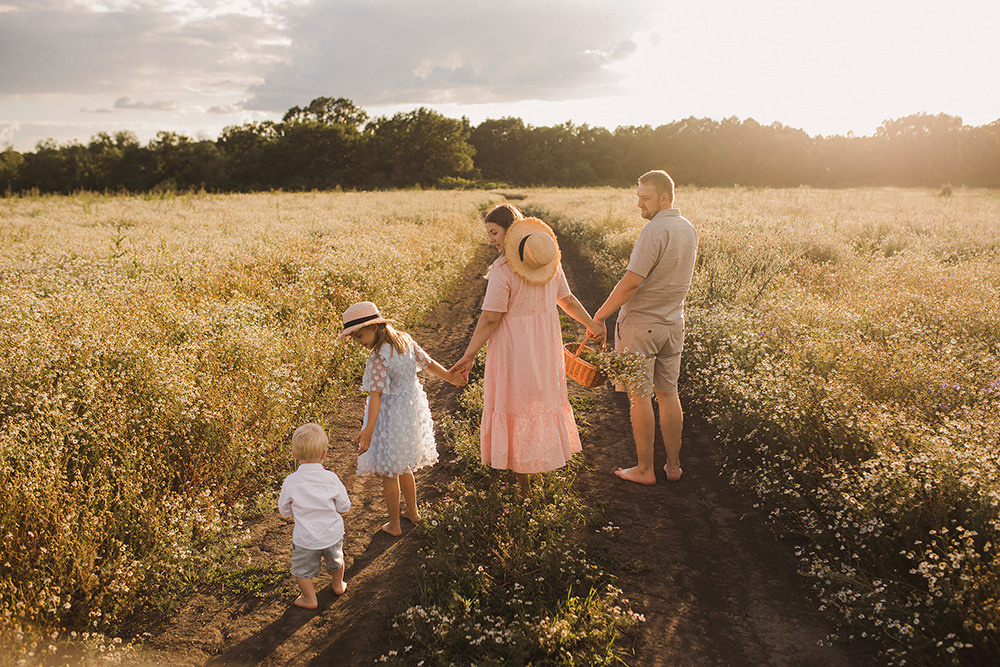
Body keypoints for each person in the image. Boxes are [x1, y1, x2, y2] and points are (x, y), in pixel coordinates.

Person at [450, 205, 599, 498]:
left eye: (494, 232)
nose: (491, 239)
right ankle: (541, 465)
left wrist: (469, 354)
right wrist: (591, 324)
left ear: (510, 231)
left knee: (516, 407)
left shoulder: (503, 270)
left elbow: (490, 318)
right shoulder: (548, 263)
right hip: (545, 347)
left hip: (514, 349)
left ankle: (525, 487)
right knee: (539, 402)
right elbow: (567, 300)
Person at [588, 170, 698, 485]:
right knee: (668, 393)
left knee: (639, 396)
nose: (639, 204)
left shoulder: (653, 230)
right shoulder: (688, 228)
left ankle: (645, 469)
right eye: (638, 197)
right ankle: (673, 467)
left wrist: (600, 316)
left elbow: (631, 282)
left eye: (645, 198)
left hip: (641, 326)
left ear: (665, 197)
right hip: (673, 324)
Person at [340, 301, 466, 536]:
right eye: (354, 338)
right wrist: (450, 378)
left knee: (390, 472)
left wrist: (369, 430)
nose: (358, 341)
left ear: (374, 327)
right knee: (403, 464)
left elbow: (376, 395)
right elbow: (428, 364)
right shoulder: (405, 341)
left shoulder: (379, 357)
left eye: (359, 335)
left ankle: (394, 525)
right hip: (409, 412)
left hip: (390, 416)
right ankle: (413, 512)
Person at [278, 422, 351, 609]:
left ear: (294, 454)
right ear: (324, 453)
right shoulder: (331, 478)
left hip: (305, 539)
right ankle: (338, 585)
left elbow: (284, 511)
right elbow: (344, 506)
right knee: (337, 561)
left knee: (302, 571)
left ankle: (309, 599)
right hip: (331, 535)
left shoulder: (291, 482)